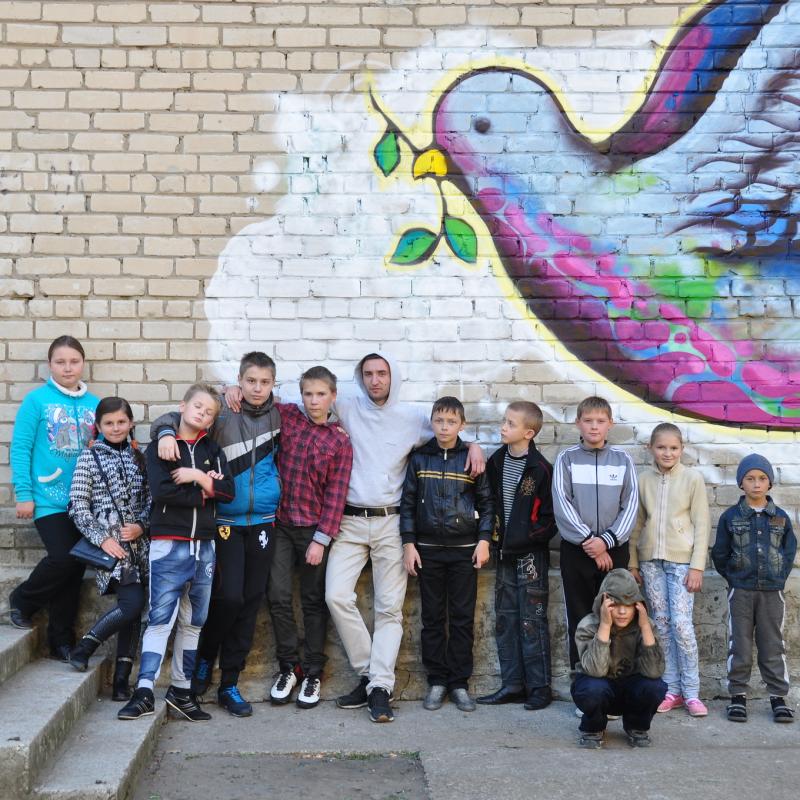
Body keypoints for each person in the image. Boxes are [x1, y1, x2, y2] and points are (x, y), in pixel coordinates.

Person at [153, 352, 281, 717]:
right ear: (239, 381)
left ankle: (230, 683)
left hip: (263, 520)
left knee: (251, 600)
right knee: (228, 598)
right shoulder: (221, 412)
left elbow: (321, 414)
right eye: (250, 381)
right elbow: (174, 417)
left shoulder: (281, 414)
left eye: (265, 382)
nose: (257, 388)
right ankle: (205, 659)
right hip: (224, 520)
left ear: (273, 384)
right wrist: (164, 432)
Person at [118, 384, 234, 722]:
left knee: (193, 622)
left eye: (209, 412)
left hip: (205, 547)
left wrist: (198, 476)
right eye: (198, 407)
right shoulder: (162, 446)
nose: (202, 414)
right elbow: (162, 492)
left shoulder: (213, 449)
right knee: (160, 619)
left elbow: (229, 492)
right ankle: (143, 692)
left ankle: (182, 692)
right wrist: (206, 491)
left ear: (212, 421)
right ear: (183, 406)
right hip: (169, 545)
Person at [9, 336, 100, 661]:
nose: (67, 368)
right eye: (60, 362)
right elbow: (21, 448)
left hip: (84, 503)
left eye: (74, 361)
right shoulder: (36, 401)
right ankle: (22, 600)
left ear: (83, 363)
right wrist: (24, 494)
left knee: (73, 570)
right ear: (50, 365)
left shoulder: (95, 404)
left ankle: (61, 640)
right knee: (63, 558)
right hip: (48, 499)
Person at [399, 397, 493, 712]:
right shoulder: (419, 459)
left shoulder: (471, 458)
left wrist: (484, 540)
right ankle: (437, 681)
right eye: (439, 421)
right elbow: (408, 503)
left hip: (464, 551)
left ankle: (459, 683)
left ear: (462, 425)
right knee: (433, 618)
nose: (444, 427)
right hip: (428, 552)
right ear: (432, 422)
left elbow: (487, 503)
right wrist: (409, 543)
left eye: (451, 422)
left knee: (463, 619)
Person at [267, 366, 353, 710]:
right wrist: (230, 391)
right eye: (308, 394)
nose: (314, 401)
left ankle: (314, 671)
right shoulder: (288, 417)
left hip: (313, 530)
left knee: (314, 600)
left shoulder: (339, 440)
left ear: (333, 396)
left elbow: (337, 494)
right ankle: (289, 667)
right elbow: (256, 402)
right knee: (278, 595)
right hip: (280, 526)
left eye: (320, 394)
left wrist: (321, 539)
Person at [67, 397, 151, 702]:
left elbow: (151, 500)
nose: (116, 428)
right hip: (113, 550)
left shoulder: (140, 457)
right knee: (132, 604)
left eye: (121, 422)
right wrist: (103, 539)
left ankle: (121, 681)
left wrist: (141, 525)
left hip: (142, 548)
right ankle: (84, 647)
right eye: (109, 423)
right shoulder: (88, 458)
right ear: (99, 426)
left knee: (135, 611)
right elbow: (77, 506)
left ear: (131, 423)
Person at [477, 400, 556, 711]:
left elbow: (550, 519)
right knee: (506, 619)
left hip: (531, 557)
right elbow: (488, 503)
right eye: (504, 421)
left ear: (528, 433)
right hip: (504, 554)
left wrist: (526, 538)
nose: (503, 427)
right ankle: (512, 685)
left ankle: (539, 688)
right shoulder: (497, 462)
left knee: (531, 621)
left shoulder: (540, 469)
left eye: (510, 424)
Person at [629, 422, 710, 718]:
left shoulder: (692, 479)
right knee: (661, 625)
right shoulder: (643, 480)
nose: (667, 453)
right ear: (650, 448)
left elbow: (702, 524)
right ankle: (671, 689)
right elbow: (636, 523)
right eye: (661, 447)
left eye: (674, 448)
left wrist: (697, 566)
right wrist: (633, 561)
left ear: (682, 449)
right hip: (651, 563)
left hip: (682, 564)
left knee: (682, 627)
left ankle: (692, 693)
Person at [552, 396, 638, 672]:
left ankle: (616, 676)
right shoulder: (566, 459)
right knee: (580, 615)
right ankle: (582, 676)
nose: (594, 426)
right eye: (588, 421)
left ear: (610, 424)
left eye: (600, 421)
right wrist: (591, 542)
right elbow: (562, 504)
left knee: (617, 613)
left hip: (614, 551)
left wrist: (606, 542)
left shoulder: (623, 460)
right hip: (577, 551)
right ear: (578, 423)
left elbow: (631, 505)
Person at [712, 454, 797, 724]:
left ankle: (778, 697)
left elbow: (789, 551)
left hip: (772, 592)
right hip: (741, 592)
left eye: (762, 478)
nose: (756, 484)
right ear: (741, 483)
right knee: (740, 644)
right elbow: (720, 553)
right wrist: (734, 579)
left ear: (770, 483)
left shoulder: (780, 518)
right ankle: (738, 696)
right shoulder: (730, 517)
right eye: (750, 479)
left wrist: (779, 577)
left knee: (773, 645)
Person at [571, 568, 667, 748]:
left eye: (628, 605)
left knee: (655, 687)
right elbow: (596, 670)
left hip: (631, 690)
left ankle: (636, 726)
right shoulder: (588, 625)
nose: (622, 611)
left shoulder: (646, 626)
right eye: (615, 604)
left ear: (638, 606)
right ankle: (593, 728)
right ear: (603, 604)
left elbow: (654, 672)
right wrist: (605, 626)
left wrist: (645, 627)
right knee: (592, 689)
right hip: (600, 687)